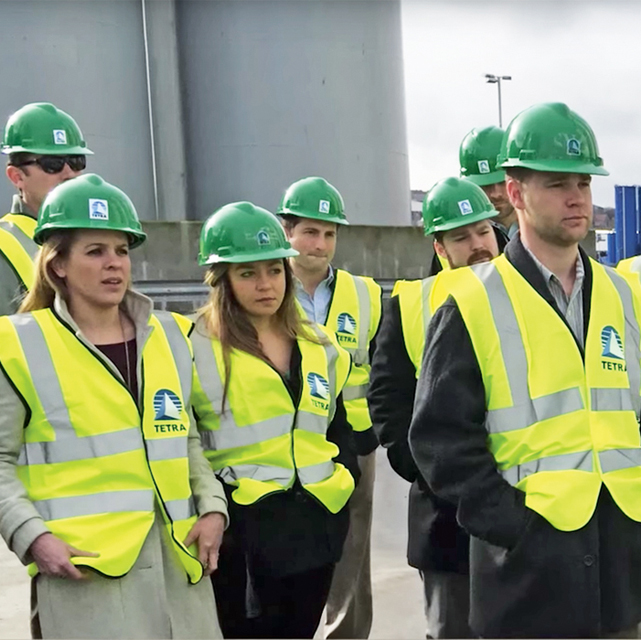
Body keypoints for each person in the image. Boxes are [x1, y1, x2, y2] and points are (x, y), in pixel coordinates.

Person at [409, 102, 641, 638]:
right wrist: (512, 526)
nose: (577, 197)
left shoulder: (623, 296)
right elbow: (441, 441)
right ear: (515, 193)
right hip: (527, 573)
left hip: (617, 566)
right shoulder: (471, 303)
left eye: (583, 182)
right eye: (558, 183)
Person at [0, 173, 228, 639]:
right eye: (95, 251)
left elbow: (183, 437)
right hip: (88, 578)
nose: (114, 265)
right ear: (57, 264)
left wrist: (212, 508)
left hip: (178, 568)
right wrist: (32, 538)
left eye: (121, 251)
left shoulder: (167, 334)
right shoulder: (18, 345)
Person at [190, 201, 358, 639]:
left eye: (274, 270)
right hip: (243, 537)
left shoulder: (318, 344)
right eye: (248, 273)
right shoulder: (192, 349)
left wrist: (344, 484)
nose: (266, 284)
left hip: (315, 529)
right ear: (221, 280)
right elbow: (183, 445)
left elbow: (335, 429)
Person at [369, 176, 500, 639]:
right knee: (451, 628)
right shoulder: (409, 304)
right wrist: (426, 469)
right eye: (461, 237)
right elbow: (388, 401)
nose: (477, 244)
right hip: (446, 516)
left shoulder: (528, 299)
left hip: (522, 504)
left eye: (483, 231)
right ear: (440, 247)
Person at [277, 176, 381, 640]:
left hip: (353, 444)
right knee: (287, 556)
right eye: (310, 232)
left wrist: (372, 433)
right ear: (287, 232)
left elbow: (384, 369)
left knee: (352, 555)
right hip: (283, 446)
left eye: (330, 233)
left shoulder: (366, 295)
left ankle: (347, 635)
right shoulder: (264, 288)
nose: (320, 244)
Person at [0, 102, 90, 313]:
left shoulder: (99, 238)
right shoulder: (4, 245)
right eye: (52, 163)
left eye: (76, 161)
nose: (69, 173)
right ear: (17, 176)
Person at [460, 125, 517, 238]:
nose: (496, 194)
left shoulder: (544, 228)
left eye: (502, 182)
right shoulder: (463, 241)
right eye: (485, 186)